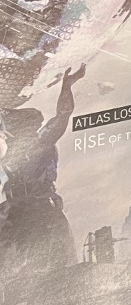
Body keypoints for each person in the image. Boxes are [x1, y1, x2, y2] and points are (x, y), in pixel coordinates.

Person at [0, 65, 84, 282]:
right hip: (17, 212)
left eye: (9, 129)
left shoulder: (42, 141)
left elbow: (63, 115)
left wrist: (67, 85)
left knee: (45, 269)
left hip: (38, 212)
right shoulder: (12, 149)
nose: (6, 134)